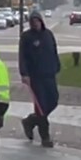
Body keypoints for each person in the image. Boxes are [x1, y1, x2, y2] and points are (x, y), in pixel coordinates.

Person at [19, 10, 61, 148]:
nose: (35, 24)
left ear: (41, 21)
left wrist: (57, 65)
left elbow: (54, 50)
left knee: (53, 101)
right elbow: (22, 57)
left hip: (49, 74)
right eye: (33, 22)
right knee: (41, 107)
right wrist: (24, 74)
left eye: (37, 21)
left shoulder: (48, 34)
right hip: (35, 77)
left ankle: (31, 121)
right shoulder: (26, 37)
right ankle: (45, 137)